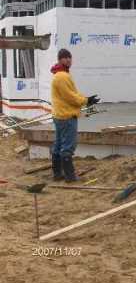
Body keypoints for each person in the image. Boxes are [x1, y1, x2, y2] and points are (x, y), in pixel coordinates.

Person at [50, 48, 100, 182]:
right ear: (60, 59)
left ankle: (57, 174)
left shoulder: (61, 74)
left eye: (69, 57)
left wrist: (86, 99)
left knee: (59, 145)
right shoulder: (62, 76)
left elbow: (73, 94)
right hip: (66, 116)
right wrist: (86, 101)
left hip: (60, 115)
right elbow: (70, 97)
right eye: (65, 57)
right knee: (68, 146)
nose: (68, 60)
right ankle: (70, 176)